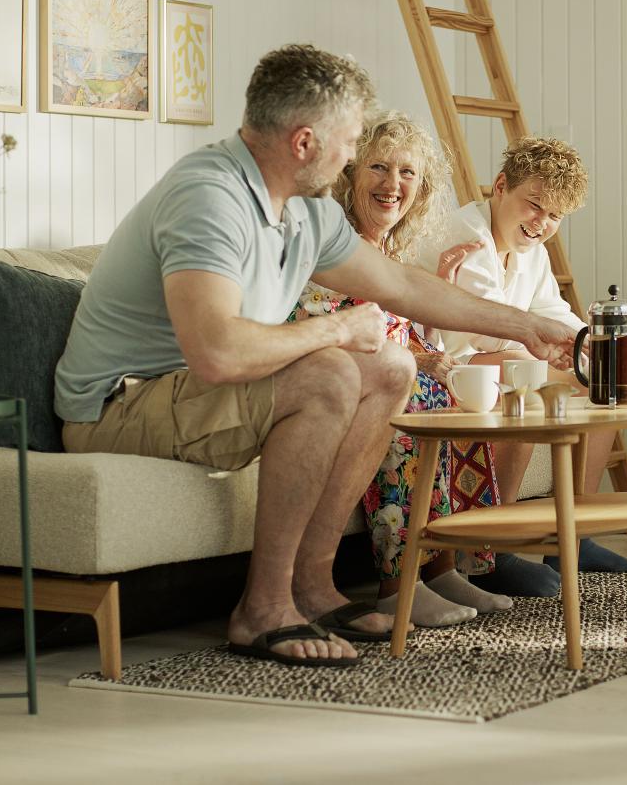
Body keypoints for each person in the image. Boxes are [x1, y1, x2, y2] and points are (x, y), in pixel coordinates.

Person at [54, 45, 577, 668]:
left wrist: (533, 328)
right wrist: (332, 333)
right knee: (331, 368)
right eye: (352, 140)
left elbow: (405, 287)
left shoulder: (304, 210)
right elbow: (217, 351)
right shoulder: (211, 198)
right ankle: (263, 608)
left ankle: (312, 586)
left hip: (187, 392)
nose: (355, 155)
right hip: (119, 405)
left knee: (392, 365)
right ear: (305, 142)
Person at [292, 111, 511, 626]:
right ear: (350, 174)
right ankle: (397, 583)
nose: (393, 184)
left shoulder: (385, 248)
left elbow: (399, 334)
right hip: (327, 378)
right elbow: (339, 330)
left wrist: (432, 348)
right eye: (379, 168)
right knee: (417, 401)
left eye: (408, 172)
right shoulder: (334, 240)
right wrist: (421, 359)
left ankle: (440, 567)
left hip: (373, 371)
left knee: (454, 397)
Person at [416, 136, 627, 597]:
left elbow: (554, 312)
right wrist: (555, 349)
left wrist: (594, 342)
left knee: (601, 378)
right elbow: (489, 327)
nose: (541, 223)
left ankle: (573, 537)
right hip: (442, 360)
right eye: (534, 205)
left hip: (490, 357)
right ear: (501, 186)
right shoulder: (464, 235)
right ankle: (494, 551)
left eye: (554, 216)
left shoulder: (530, 253)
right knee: (525, 372)